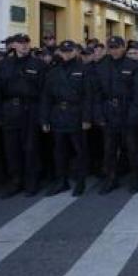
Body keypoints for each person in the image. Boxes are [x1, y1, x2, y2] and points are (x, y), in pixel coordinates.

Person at [0, 33, 46, 197]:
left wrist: (42, 116)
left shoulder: (38, 64)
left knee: (30, 148)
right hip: (10, 111)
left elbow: (44, 92)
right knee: (11, 148)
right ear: (13, 45)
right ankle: (16, 181)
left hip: (31, 110)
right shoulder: (4, 65)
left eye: (27, 42)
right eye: (21, 43)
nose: (24, 46)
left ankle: (32, 182)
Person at [94, 36, 138, 194]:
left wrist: (133, 116)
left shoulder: (133, 66)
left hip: (127, 111)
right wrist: (99, 115)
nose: (114, 50)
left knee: (132, 148)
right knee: (109, 150)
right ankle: (111, 179)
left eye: (117, 47)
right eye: (111, 47)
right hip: (109, 113)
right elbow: (96, 93)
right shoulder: (101, 66)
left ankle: (136, 178)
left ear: (123, 47)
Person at [41, 41, 93, 196]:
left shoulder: (84, 70)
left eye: (69, 51)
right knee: (59, 151)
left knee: (79, 151)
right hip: (58, 114)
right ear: (59, 52)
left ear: (76, 52)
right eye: (64, 51)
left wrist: (86, 118)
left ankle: (80, 181)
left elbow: (88, 96)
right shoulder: (53, 72)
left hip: (76, 114)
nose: (66, 54)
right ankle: (61, 181)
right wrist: (44, 119)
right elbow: (46, 97)